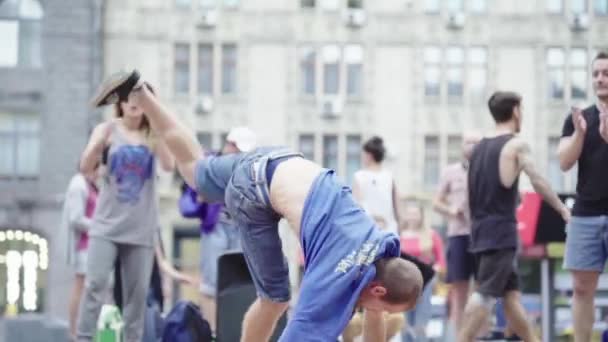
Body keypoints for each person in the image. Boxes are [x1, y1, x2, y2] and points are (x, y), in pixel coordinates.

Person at [91, 70, 424, 342]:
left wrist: (379, 309)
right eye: (380, 305)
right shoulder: (331, 282)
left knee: (196, 170)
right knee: (275, 298)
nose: (371, 311)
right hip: (256, 191)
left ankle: (140, 95)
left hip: (280, 160)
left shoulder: (384, 246)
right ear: (378, 288)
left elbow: (379, 307)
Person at [458, 91, 570, 342]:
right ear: (517, 111)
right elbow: (538, 179)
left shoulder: (479, 149)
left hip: (480, 231)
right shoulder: (516, 145)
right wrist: (562, 209)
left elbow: (472, 194)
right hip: (501, 233)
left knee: (511, 297)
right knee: (485, 294)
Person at [76, 81, 175, 342]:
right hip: (106, 225)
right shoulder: (107, 129)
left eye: (141, 97)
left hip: (141, 229)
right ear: (120, 101)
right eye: (129, 96)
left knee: (136, 295)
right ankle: (84, 338)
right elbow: (85, 167)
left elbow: (168, 166)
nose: (134, 102)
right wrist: (97, 145)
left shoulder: (154, 135)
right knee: (95, 285)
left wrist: (159, 127)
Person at [179, 126, 256, 333]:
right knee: (210, 284)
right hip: (216, 227)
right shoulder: (211, 164)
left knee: (238, 283)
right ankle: (211, 332)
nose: (238, 154)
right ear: (228, 144)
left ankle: (233, 332)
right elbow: (200, 192)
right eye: (236, 148)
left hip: (240, 229)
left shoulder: (249, 168)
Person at [558, 51, 608, 342]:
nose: (600, 79)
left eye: (606, 73)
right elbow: (564, 162)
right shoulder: (579, 118)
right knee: (581, 287)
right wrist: (580, 134)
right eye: (596, 74)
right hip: (586, 213)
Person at [432, 132, 480, 333]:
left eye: (476, 143)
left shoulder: (489, 171)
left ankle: (477, 336)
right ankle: (459, 337)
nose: (472, 146)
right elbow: (436, 202)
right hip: (458, 234)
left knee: (481, 293)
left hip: (483, 236)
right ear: (462, 146)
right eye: (469, 142)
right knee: (459, 292)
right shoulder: (450, 172)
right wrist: (451, 210)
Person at [60, 165, 99, 339]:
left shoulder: (91, 185)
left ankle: (85, 329)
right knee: (80, 285)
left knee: (91, 287)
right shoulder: (78, 184)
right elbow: (75, 218)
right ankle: (74, 331)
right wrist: (98, 226)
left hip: (93, 244)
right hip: (84, 245)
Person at [399, 201, 446, 342]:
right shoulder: (399, 234)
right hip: (403, 281)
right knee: (404, 319)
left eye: (415, 213)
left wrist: (435, 271)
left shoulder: (431, 235)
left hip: (425, 280)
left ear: (421, 215)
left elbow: (441, 260)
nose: (412, 217)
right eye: (410, 214)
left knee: (421, 318)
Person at [353, 136, 400, 234]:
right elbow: (397, 207)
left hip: (367, 229)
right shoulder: (389, 176)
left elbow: (358, 205)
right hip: (389, 228)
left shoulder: (359, 176)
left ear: (369, 155)